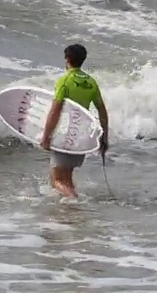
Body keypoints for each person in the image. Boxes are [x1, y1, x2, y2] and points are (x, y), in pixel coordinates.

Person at [38, 43, 109, 199]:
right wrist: (104, 138)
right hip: (81, 139)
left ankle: (75, 201)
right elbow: (102, 111)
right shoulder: (91, 82)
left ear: (67, 59)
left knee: (57, 180)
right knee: (66, 178)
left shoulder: (65, 80)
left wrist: (46, 137)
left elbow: (55, 111)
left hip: (65, 136)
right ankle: (69, 214)